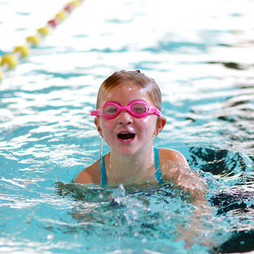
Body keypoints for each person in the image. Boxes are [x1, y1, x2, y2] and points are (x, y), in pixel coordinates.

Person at [73, 70, 207, 205]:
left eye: (138, 109)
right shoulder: (88, 179)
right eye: (112, 110)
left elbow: (198, 205)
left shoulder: (170, 162)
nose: (124, 119)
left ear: (158, 125)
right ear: (99, 126)